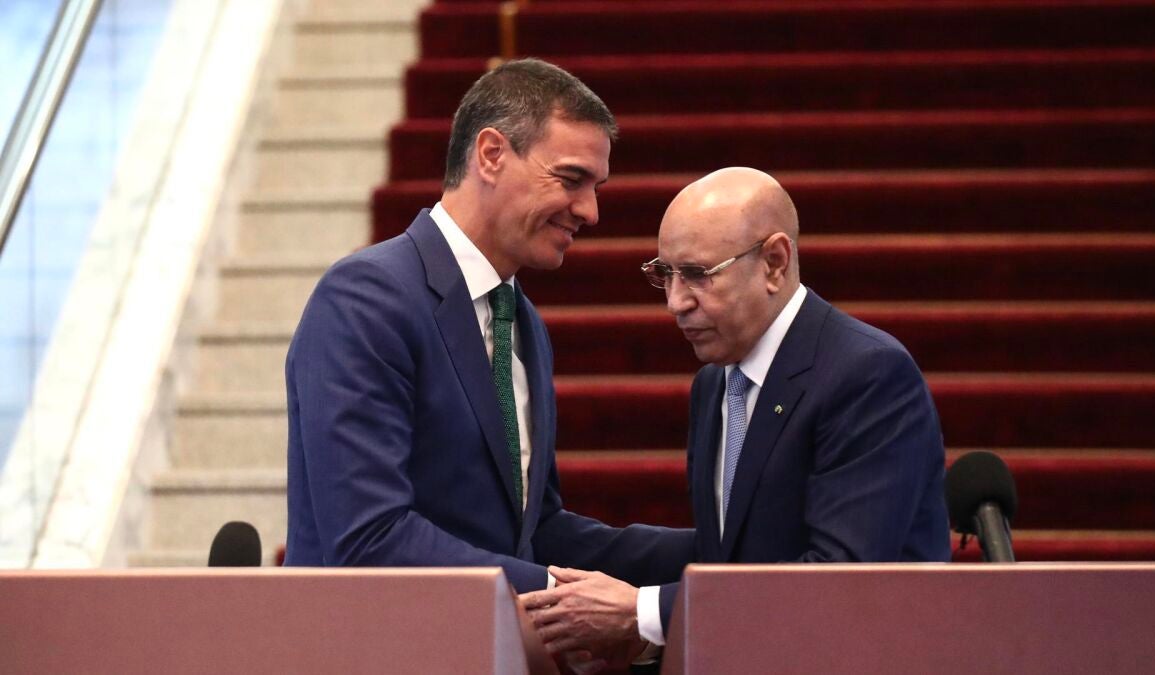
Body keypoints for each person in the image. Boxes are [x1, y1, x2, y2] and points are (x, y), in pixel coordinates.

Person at [283, 59, 692, 611]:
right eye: (571, 179)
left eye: (595, 187)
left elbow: (534, 531)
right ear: (492, 154)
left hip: (482, 643)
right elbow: (369, 540)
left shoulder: (520, 319)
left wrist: (715, 553)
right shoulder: (366, 299)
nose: (590, 212)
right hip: (369, 643)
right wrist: (563, 598)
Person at [522, 167, 951, 657]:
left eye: (697, 275)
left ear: (774, 262)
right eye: (665, 275)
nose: (675, 303)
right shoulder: (716, 383)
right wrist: (553, 544)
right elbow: (729, 554)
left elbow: (839, 579)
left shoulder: (867, 375)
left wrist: (643, 611)